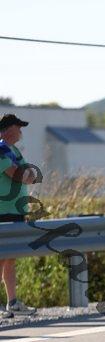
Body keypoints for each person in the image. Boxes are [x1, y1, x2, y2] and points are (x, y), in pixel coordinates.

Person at [0, 113, 37, 317]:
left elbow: (29, 175)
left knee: (10, 257)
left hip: (15, 211)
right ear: (7, 129)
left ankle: (12, 302)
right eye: (18, 127)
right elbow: (16, 174)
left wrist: (26, 175)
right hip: (3, 211)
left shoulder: (13, 150)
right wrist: (26, 175)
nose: (21, 131)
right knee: (1, 257)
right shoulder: (1, 149)